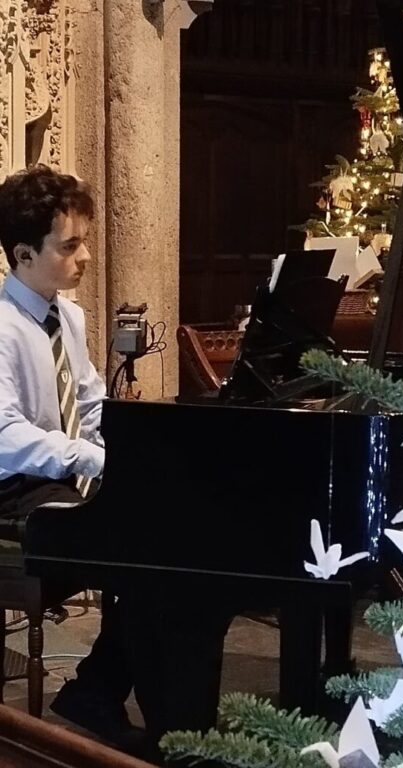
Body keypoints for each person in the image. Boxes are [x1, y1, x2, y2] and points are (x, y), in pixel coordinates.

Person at [0, 165, 231, 760]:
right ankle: (171, 729)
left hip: (66, 475)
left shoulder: (67, 317)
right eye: (69, 245)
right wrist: (96, 460)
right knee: (155, 544)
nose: (85, 257)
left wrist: (142, 452)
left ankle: (132, 704)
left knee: (191, 536)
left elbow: (93, 404)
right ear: (24, 253)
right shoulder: (1, 327)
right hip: (18, 492)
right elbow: (4, 436)